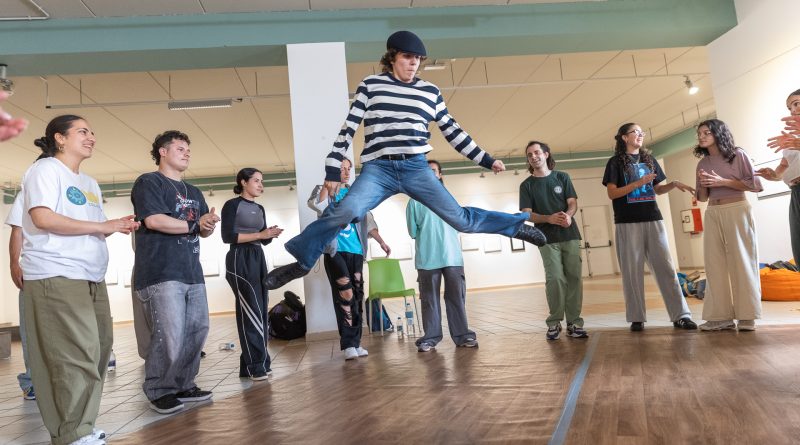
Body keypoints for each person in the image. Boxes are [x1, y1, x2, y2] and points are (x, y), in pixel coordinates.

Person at [265, 30, 546, 290]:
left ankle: (514, 226)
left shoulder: (430, 92)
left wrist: (485, 159)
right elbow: (348, 127)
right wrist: (332, 168)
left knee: (460, 220)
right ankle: (302, 262)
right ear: (392, 58)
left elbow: (453, 131)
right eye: (408, 57)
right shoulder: (371, 85)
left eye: (418, 59)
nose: (414, 63)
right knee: (345, 211)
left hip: (416, 168)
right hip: (379, 169)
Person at [22, 115, 138, 445]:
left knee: (99, 349)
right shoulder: (45, 170)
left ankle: (82, 426)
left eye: (92, 132)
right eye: (82, 131)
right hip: (56, 272)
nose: (91, 137)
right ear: (59, 138)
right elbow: (42, 218)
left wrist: (115, 226)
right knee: (73, 355)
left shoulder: (89, 182)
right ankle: (72, 433)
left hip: (90, 275)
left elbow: (90, 226)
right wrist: (103, 226)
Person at [131, 130, 219, 414]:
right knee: (169, 334)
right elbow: (155, 220)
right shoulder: (149, 182)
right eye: (180, 148)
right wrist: (195, 225)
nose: (186, 153)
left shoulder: (194, 191)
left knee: (197, 330)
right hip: (160, 272)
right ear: (163, 152)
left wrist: (207, 225)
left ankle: (184, 384)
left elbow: (202, 231)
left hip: (192, 271)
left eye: (188, 149)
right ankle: (159, 389)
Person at [602, 123, 698, 332]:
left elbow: (657, 189)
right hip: (627, 222)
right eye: (635, 132)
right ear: (624, 137)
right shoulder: (615, 162)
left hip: (653, 219)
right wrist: (638, 183)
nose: (640, 135)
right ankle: (637, 318)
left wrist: (673, 184)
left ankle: (681, 315)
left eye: (641, 132)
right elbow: (612, 193)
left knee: (666, 269)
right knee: (632, 272)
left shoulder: (649, 160)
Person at [308, 158, 391, 360]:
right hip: (335, 251)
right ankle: (347, 345)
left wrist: (381, 241)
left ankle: (356, 342)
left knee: (357, 295)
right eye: (341, 169)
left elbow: (367, 219)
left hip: (356, 250)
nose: (346, 173)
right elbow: (316, 205)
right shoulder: (324, 189)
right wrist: (328, 185)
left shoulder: (355, 193)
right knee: (345, 295)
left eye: (348, 169)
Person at [694, 119, 763, 331]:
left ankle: (747, 317)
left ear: (718, 133)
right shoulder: (703, 163)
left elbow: (755, 185)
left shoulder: (738, 155)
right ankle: (719, 317)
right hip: (712, 212)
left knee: (742, 261)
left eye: (706, 132)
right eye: (699, 134)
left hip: (737, 209)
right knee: (713, 264)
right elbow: (702, 198)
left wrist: (722, 181)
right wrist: (702, 184)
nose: (702, 137)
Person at [519, 141, 587, 340]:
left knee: (574, 278)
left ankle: (574, 323)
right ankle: (554, 322)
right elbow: (526, 214)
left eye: (537, 152)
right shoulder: (527, 185)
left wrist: (568, 215)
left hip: (570, 235)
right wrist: (547, 218)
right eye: (529, 154)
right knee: (555, 278)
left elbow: (572, 203)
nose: (533, 157)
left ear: (546, 154)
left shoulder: (562, 177)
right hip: (545, 238)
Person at [408, 160, 478, 352]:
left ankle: (463, 336)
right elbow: (412, 231)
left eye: (434, 171)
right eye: (426, 171)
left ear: (440, 175)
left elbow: (460, 223)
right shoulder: (414, 202)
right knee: (429, 300)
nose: (430, 174)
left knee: (456, 298)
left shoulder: (450, 199)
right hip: (427, 259)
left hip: (452, 257)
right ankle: (430, 338)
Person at [221, 168, 283, 379]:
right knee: (251, 311)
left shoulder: (259, 208)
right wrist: (260, 234)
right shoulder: (232, 205)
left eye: (261, 181)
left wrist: (270, 234)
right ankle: (256, 365)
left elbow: (263, 240)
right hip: (239, 258)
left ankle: (253, 363)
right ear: (243, 182)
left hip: (258, 256)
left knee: (261, 310)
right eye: (256, 181)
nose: (260, 185)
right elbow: (228, 237)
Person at [758, 88, 800, 263]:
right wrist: (773, 175)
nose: (793, 110)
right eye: (790, 108)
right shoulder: (790, 138)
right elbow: (783, 167)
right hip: (796, 192)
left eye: (796, 104)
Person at [6, 193, 35, 401]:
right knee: (30, 330)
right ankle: (31, 381)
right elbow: (17, 229)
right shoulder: (27, 191)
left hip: (66, 273)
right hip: (33, 273)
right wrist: (14, 263)